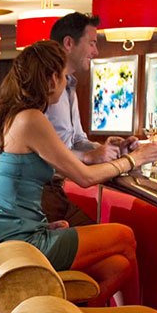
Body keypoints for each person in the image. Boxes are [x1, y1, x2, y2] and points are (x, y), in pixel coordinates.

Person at [0, 40, 157, 306]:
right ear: (52, 78)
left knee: (117, 266)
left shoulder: (11, 116)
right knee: (125, 236)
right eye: (64, 76)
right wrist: (134, 159)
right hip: (24, 243)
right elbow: (84, 177)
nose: (65, 83)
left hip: (12, 235)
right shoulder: (31, 118)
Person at [41, 13, 127, 227]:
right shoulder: (43, 87)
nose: (96, 51)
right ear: (69, 43)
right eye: (92, 43)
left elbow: (78, 139)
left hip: (55, 190)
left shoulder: (69, 86)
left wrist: (106, 149)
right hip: (37, 194)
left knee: (116, 234)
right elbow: (41, 153)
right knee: (118, 236)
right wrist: (91, 156)